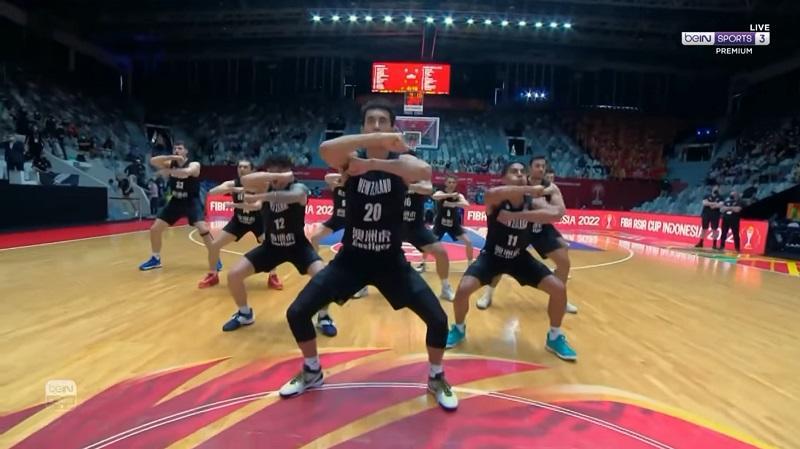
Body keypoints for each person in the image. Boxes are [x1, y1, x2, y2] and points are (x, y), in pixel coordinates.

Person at [279, 100, 457, 410]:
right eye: (370, 120)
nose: (376, 125)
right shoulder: (349, 160)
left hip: (391, 262)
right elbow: (325, 149)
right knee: (297, 312)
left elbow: (424, 171)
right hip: (351, 261)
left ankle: (435, 376)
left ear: (392, 127)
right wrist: (371, 144)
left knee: (438, 320)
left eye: (382, 121)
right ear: (362, 127)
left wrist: (374, 163)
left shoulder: (402, 161)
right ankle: (311, 371)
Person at [445, 162, 577, 361]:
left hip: (518, 257)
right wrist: (530, 189)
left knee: (559, 289)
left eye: (522, 172)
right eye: (514, 172)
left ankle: (554, 337)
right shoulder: (495, 197)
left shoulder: (532, 202)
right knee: (463, 290)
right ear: (503, 178)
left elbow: (557, 213)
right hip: (492, 256)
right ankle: (458, 328)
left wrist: (519, 215)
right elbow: (492, 193)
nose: (520, 174)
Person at [221, 154, 337, 336]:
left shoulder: (298, 187)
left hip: (298, 246)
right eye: (271, 173)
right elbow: (245, 180)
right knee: (234, 275)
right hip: (271, 246)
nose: (275, 178)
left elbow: (293, 196)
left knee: (324, 277)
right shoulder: (266, 184)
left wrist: (264, 195)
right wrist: (273, 177)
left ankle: (324, 317)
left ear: (289, 173)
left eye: (280, 173)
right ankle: (244, 314)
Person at [476, 161, 578, 314]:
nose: (541, 169)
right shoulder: (520, 181)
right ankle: (488, 294)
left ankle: (560, 298)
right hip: (521, 228)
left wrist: (539, 201)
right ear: (529, 170)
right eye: (538, 166)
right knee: (503, 256)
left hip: (541, 227)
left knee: (564, 261)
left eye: (543, 166)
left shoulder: (550, 187)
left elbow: (560, 212)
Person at [197, 159, 283, 291]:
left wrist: (237, 195)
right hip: (239, 221)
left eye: (245, 167)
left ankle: (273, 276)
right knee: (214, 246)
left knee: (272, 246)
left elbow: (256, 206)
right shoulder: (233, 184)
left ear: (252, 170)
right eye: (240, 167)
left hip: (259, 221)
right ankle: (213, 275)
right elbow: (212, 192)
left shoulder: (262, 185)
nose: (241, 169)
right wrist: (231, 188)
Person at [138, 142, 218, 271]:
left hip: (191, 201)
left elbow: (186, 173)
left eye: (180, 148)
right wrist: (172, 157)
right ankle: (155, 258)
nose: (177, 150)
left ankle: (215, 257)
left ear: (186, 151)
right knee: (155, 229)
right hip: (176, 201)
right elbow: (153, 161)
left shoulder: (194, 164)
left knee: (203, 228)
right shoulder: (171, 162)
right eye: (175, 148)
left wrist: (167, 171)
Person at [309, 173, 368, 298]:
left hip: (354, 222)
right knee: (314, 238)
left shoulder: (356, 185)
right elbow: (327, 177)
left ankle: (362, 287)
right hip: (336, 220)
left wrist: (349, 178)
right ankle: (318, 269)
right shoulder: (336, 184)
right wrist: (344, 176)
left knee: (357, 252)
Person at [402, 179, 455, 300]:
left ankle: (445, 288)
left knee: (441, 253)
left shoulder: (419, 179)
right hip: (396, 225)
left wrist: (409, 185)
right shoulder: (393, 177)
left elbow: (428, 189)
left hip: (416, 227)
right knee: (371, 250)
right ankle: (363, 285)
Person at [432, 176, 474, 265]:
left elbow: (466, 205)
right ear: (445, 183)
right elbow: (435, 196)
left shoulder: (458, 195)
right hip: (440, 223)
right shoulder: (441, 192)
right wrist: (450, 195)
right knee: (429, 243)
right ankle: (423, 263)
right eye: (449, 182)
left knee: (468, 242)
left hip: (453, 224)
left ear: (456, 184)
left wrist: (453, 204)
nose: (451, 184)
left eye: (453, 182)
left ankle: (470, 264)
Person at [695, 184, 723, 249]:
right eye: (715, 187)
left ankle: (714, 244)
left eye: (717, 188)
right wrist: (714, 203)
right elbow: (704, 203)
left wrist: (710, 204)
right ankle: (701, 242)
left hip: (715, 215)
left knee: (714, 229)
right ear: (713, 188)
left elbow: (720, 205)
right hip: (706, 214)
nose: (716, 189)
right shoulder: (707, 195)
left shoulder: (721, 197)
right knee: (704, 228)